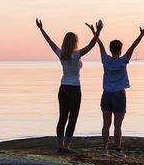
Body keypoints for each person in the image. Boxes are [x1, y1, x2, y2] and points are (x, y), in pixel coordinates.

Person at [36, 18, 103, 153]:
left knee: (62, 117)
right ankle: (66, 146)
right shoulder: (76, 55)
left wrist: (41, 28)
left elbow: (49, 42)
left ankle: (61, 145)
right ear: (75, 42)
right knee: (72, 118)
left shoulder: (61, 54)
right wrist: (98, 31)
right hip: (74, 89)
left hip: (63, 88)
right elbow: (91, 45)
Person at [91, 25, 144, 157]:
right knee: (117, 125)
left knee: (106, 124)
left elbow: (98, 43)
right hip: (119, 95)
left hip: (106, 94)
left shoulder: (105, 59)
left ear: (111, 49)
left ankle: (104, 150)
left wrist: (95, 32)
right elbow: (133, 46)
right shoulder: (123, 60)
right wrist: (141, 34)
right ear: (121, 49)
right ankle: (117, 150)